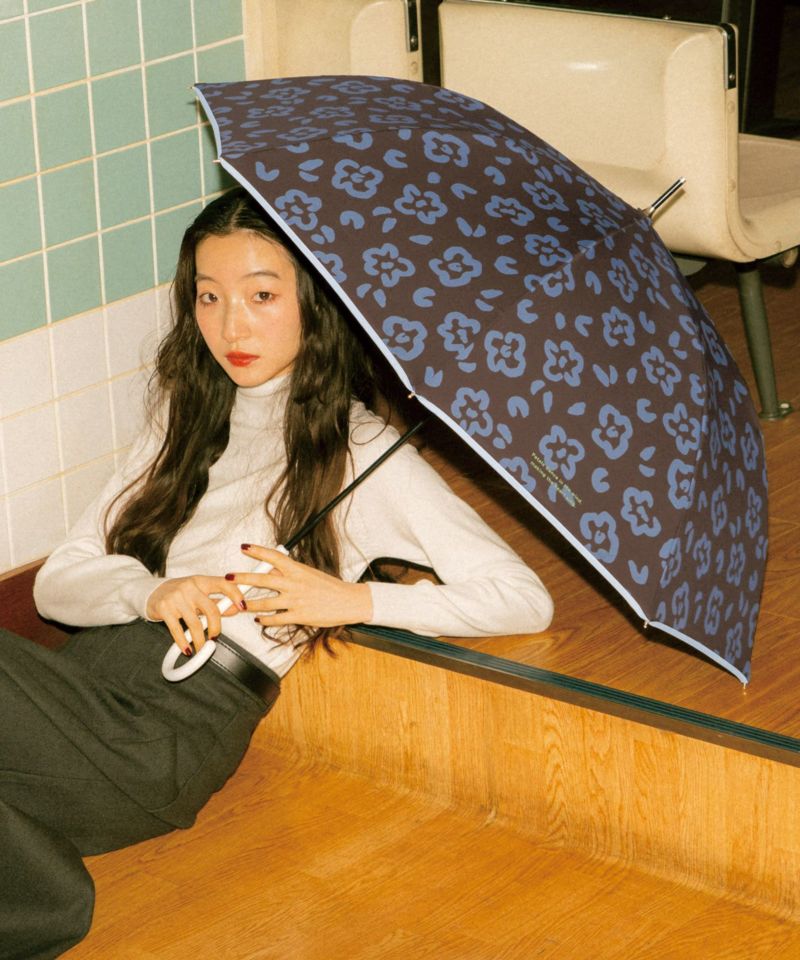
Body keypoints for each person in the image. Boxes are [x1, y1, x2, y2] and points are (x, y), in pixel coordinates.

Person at [1, 187, 553, 959]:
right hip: (83, 688)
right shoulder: (185, 416)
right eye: (209, 296)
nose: (232, 326)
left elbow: (523, 599)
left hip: (162, 735)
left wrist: (351, 599)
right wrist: (150, 591)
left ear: (315, 304)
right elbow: (59, 581)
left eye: (262, 296)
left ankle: (43, 906)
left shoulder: (362, 454)